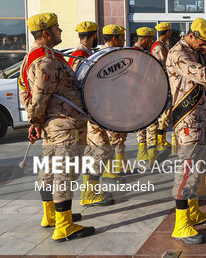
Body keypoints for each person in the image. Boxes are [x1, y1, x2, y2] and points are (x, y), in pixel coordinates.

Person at [18, 13, 95, 242]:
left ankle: (51, 215)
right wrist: (35, 120)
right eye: (57, 28)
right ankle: (64, 226)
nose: (60, 31)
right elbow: (39, 97)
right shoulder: (46, 60)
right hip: (64, 126)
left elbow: (25, 91)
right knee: (64, 174)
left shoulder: (32, 57)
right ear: (46, 33)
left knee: (50, 171)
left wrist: (37, 122)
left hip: (54, 125)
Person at [167, 18, 206, 244]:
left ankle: (192, 211)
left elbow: (199, 83)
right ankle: (180, 224)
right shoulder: (180, 53)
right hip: (188, 121)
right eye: (203, 42)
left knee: (198, 166)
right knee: (186, 169)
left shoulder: (192, 51)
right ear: (192, 35)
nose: (204, 46)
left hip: (198, 119)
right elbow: (205, 76)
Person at [69, 21, 115, 207]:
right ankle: (90, 193)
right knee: (101, 150)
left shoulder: (86, 54)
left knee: (95, 151)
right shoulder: (80, 55)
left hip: (92, 110)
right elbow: (78, 85)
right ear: (94, 35)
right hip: (89, 111)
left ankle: (91, 190)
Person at [100, 25, 128, 178]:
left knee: (118, 137)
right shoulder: (105, 56)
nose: (124, 40)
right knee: (111, 138)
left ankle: (119, 166)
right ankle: (110, 171)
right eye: (122, 38)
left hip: (117, 102)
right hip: (110, 104)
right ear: (115, 38)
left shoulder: (113, 54)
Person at [134, 27, 158, 166]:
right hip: (144, 95)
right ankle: (150, 156)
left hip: (139, 95)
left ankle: (143, 154)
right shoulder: (137, 54)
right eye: (150, 39)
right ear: (146, 39)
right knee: (149, 124)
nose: (151, 42)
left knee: (141, 125)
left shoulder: (137, 52)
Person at [150, 22, 173, 153]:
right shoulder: (158, 47)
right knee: (164, 111)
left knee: (167, 111)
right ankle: (160, 140)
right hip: (161, 82)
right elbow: (161, 66)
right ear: (167, 32)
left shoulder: (164, 45)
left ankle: (162, 138)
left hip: (165, 81)